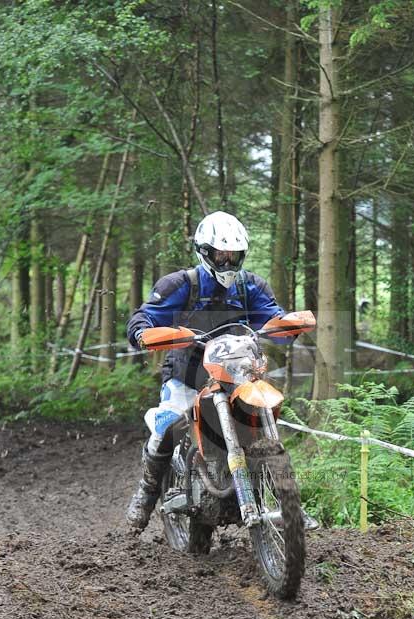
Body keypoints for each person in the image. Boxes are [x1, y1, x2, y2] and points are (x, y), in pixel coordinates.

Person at [126, 210, 293, 531]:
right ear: (205, 252)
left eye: (235, 256)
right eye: (221, 255)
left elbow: (274, 317)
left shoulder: (251, 287)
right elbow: (145, 315)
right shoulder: (180, 284)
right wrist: (142, 332)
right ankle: (146, 492)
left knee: (263, 413)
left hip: (239, 372)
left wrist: (288, 326)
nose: (228, 263)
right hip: (188, 373)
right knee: (170, 423)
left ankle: (285, 501)